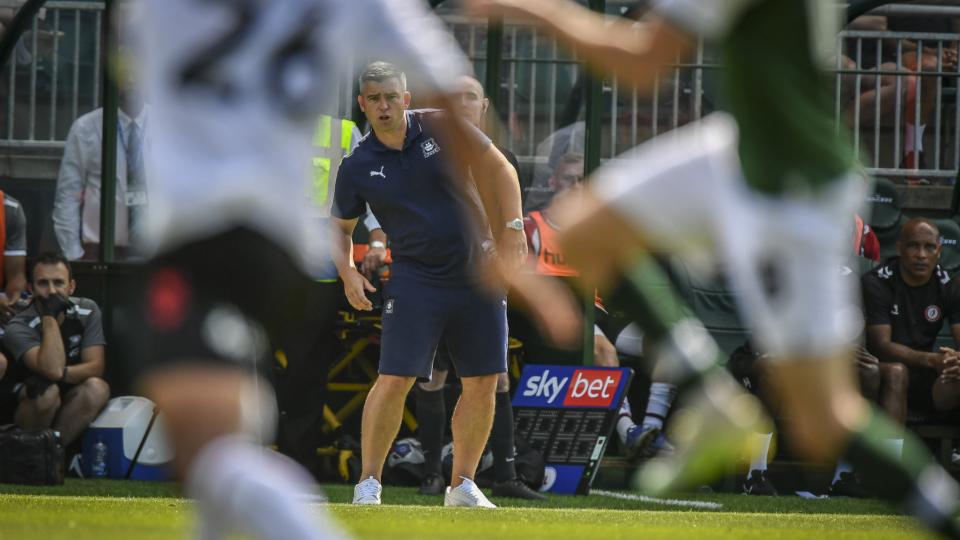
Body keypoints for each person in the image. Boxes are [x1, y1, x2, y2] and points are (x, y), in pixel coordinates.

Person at [469, 0, 960, 536]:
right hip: (742, 146)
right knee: (583, 232)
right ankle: (714, 398)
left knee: (826, 421)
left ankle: (944, 514)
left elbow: (639, 60)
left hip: (798, 182)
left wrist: (530, 9)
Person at [132, 1, 488, 538]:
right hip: (287, 253)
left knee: (206, 446)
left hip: (199, 238)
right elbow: (450, 86)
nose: (386, 105)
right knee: (218, 442)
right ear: (364, 102)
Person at [331, 61, 525, 508]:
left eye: (391, 96)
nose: (384, 106)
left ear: (407, 99)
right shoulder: (357, 164)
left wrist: (514, 228)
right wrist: (347, 274)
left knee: (482, 381)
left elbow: (502, 170)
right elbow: (340, 228)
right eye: (374, 98)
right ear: (362, 103)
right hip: (416, 278)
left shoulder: (442, 125)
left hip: (479, 272)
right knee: (393, 378)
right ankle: (368, 484)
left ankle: (463, 486)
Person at [405, 75, 542, 500]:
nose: (463, 103)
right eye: (456, 97)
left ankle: (504, 473)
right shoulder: (423, 154)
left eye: (471, 97)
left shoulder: (505, 160)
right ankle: (431, 472)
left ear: (484, 106)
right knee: (431, 375)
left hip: (483, 280)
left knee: (493, 376)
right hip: (433, 275)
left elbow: (510, 220)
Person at [523, 151, 676, 459]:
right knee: (603, 348)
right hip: (556, 319)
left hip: (599, 312)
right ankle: (627, 430)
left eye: (583, 181)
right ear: (553, 182)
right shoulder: (533, 226)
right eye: (570, 179)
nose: (576, 187)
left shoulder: (595, 231)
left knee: (671, 346)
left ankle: (651, 429)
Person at [0, 252, 108, 446]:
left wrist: (61, 375)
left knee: (97, 388)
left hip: (61, 389)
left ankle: (54, 454)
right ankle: (25, 452)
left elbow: (95, 366)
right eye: (43, 283)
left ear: (71, 286)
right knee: (46, 395)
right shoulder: (18, 325)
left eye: (58, 283)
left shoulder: (88, 309)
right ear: (31, 289)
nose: (51, 291)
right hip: (22, 405)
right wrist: (50, 315)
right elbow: (51, 367)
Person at [862, 218, 960, 414]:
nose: (921, 255)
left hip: (927, 374)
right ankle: (893, 446)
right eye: (913, 246)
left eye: (930, 247)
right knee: (898, 372)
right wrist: (933, 360)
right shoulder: (877, 282)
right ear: (899, 249)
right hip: (881, 371)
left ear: (939, 252)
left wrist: (954, 361)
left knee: (956, 373)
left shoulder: (950, 284)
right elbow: (882, 346)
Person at [53, 79, 148, 261]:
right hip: (101, 253)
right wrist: (73, 254)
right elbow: (68, 195)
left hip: (157, 253)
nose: (131, 80)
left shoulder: (165, 124)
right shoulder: (86, 128)